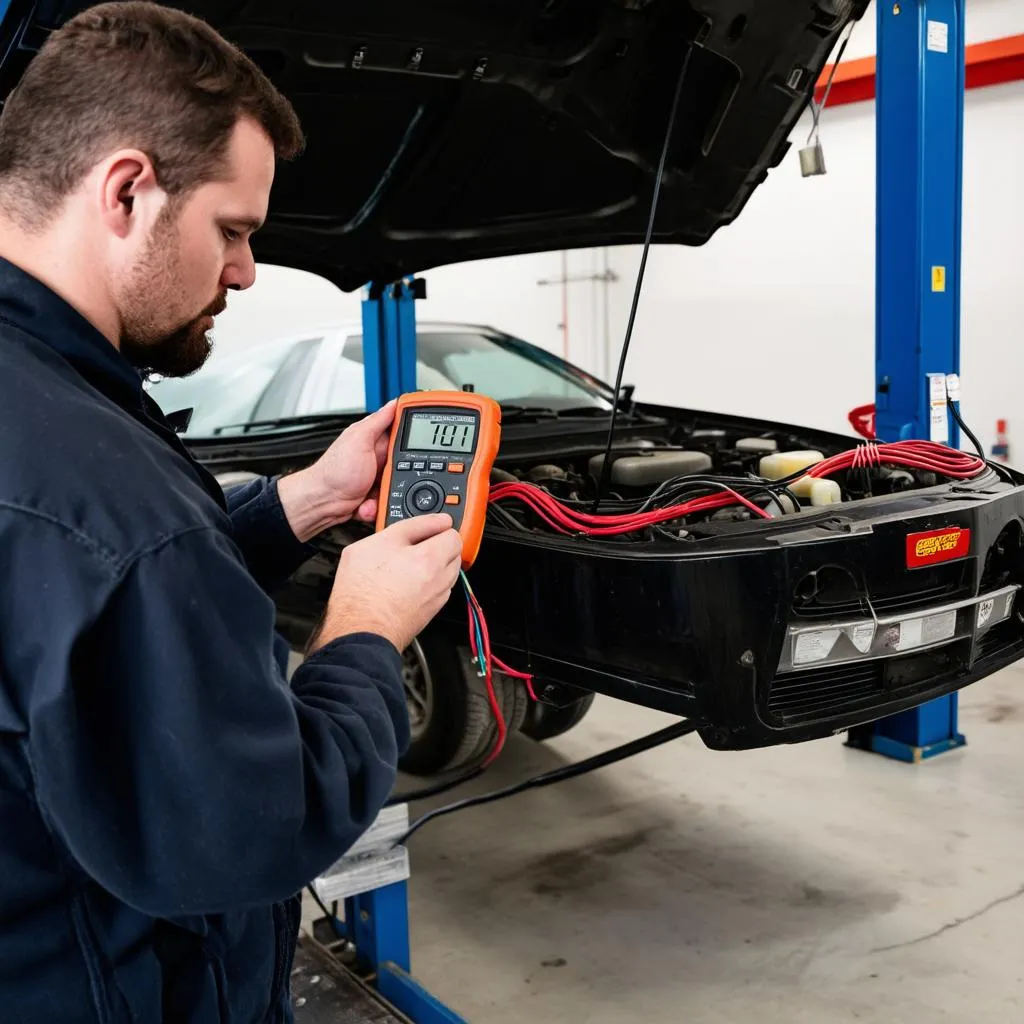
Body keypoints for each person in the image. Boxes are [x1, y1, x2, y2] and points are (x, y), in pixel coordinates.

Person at [0, 3, 463, 1021]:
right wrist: (367, 630)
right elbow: (255, 827)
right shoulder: (99, 485)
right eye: (234, 230)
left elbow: (73, 617)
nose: (246, 271)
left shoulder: (41, 406)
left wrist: (298, 505)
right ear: (125, 189)